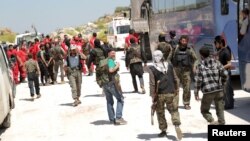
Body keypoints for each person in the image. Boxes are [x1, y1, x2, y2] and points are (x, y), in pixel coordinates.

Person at [147, 50, 182, 139]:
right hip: (171, 92)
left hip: (160, 94)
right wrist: (177, 89)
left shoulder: (152, 68)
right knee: (174, 110)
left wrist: (152, 95)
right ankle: (176, 125)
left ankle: (163, 130)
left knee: (160, 112)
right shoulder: (169, 65)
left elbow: (152, 83)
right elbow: (175, 78)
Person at [194, 47, 227, 125]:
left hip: (208, 91)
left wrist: (196, 93)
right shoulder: (217, 62)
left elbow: (198, 80)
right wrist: (223, 82)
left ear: (201, 55)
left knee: (204, 110)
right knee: (220, 108)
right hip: (219, 90)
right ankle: (221, 123)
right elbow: (225, 74)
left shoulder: (200, 66)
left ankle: (212, 121)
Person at [171, 35, 198, 110]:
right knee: (176, 88)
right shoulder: (175, 49)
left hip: (186, 71)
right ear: (180, 41)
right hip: (176, 71)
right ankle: (175, 104)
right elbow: (169, 59)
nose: (184, 42)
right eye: (183, 41)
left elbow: (196, 59)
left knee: (187, 88)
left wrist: (194, 66)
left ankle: (186, 103)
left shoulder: (190, 49)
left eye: (185, 41)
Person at [103, 49, 127, 125]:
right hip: (111, 83)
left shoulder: (103, 61)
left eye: (114, 53)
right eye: (112, 53)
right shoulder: (110, 61)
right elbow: (111, 70)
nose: (114, 54)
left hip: (105, 84)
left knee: (109, 101)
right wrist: (117, 66)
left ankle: (111, 119)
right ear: (108, 53)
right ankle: (118, 118)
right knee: (120, 99)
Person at [214, 35, 234, 109]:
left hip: (226, 73)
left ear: (220, 43)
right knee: (224, 89)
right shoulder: (221, 50)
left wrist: (220, 68)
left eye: (216, 43)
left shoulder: (226, 51)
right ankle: (228, 103)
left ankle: (229, 105)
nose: (215, 45)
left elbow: (229, 64)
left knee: (227, 90)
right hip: (222, 73)